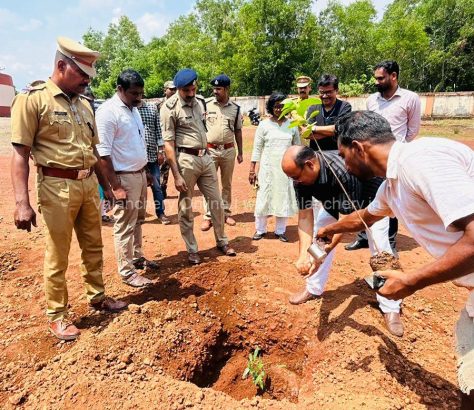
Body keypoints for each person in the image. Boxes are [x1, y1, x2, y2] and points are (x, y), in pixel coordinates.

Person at [317, 110, 474, 403]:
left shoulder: (420, 161)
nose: (344, 165)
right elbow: (366, 216)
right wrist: (330, 230)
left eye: (343, 154)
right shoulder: (393, 183)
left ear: (359, 148)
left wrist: (410, 282)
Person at [10, 37, 126, 341]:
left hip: (88, 185)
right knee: (57, 254)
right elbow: (20, 153)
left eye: (89, 76)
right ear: (61, 65)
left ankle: (97, 296)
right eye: (82, 74)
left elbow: (94, 150)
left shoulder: (85, 104)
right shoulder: (33, 99)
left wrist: (107, 187)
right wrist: (22, 203)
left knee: (93, 246)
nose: (87, 81)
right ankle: (57, 315)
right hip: (56, 186)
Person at [281, 145, 403, 337]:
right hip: (335, 202)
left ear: (310, 165)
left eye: (296, 177)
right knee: (317, 236)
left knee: (381, 250)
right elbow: (305, 216)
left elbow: (348, 224)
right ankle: (313, 288)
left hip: (372, 203)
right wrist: (305, 255)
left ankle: (391, 307)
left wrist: (322, 251)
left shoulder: (342, 171)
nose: (295, 182)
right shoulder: (301, 179)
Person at [160, 68, 236, 265]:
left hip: (206, 158)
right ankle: (192, 249)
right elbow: (168, 144)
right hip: (186, 160)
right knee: (185, 206)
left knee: (217, 202)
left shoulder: (200, 102)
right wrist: (176, 174)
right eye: (186, 91)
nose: (191, 93)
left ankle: (222, 241)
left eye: (193, 89)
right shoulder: (169, 107)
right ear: (178, 89)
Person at [346, 60, 421, 251]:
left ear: (393, 76)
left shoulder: (410, 99)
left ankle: (390, 241)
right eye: (376, 78)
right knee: (366, 196)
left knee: (390, 200)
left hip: (394, 159)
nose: (376, 82)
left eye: (381, 78)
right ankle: (364, 236)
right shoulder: (372, 100)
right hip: (370, 158)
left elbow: (412, 131)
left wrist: (398, 148)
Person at [96, 69, 159, 288]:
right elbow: (102, 154)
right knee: (124, 225)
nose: (139, 98)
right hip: (123, 178)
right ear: (120, 89)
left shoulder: (133, 109)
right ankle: (127, 272)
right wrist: (115, 186)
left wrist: (146, 171)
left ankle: (137, 257)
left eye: (141, 93)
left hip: (139, 175)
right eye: (134, 93)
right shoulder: (108, 112)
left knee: (138, 220)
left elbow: (137, 142)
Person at [249, 92, 300, 242]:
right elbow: (257, 148)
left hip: (286, 169)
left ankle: (280, 231)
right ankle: (260, 229)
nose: (278, 109)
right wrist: (252, 169)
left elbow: (297, 148)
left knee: (283, 197)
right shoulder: (264, 124)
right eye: (276, 106)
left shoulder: (292, 125)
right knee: (264, 197)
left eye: (282, 106)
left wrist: (298, 171)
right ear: (271, 107)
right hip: (267, 168)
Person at [201, 74, 243, 231]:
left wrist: (240, 152)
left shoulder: (236, 109)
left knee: (227, 184)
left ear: (226, 89)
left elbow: (238, 131)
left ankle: (225, 212)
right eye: (214, 88)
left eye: (218, 89)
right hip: (209, 150)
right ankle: (208, 215)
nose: (215, 91)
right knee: (209, 183)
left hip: (228, 150)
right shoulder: (205, 105)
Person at [137, 100, 170, 224]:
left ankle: (160, 213)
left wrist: (161, 151)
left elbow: (158, 130)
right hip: (136, 158)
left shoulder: (151, 108)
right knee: (138, 188)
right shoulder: (129, 109)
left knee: (157, 186)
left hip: (152, 156)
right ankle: (139, 216)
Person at [306, 74, 352, 151]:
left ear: (336, 90)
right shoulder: (313, 109)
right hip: (317, 155)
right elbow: (307, 134)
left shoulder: (344, 107)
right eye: (321, 92)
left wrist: (314, 128)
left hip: (338, 155)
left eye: (328, 92)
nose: (324, 96)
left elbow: (342, 129)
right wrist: (334, 131)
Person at [157, 80, 177, 199]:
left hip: (176, 138)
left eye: (175, 89)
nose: (174, 91)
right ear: (165, 90)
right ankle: (162, 187)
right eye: (171, 89)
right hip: (163, 139)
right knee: (164, 164)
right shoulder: (159, 105)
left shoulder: (178, 103)